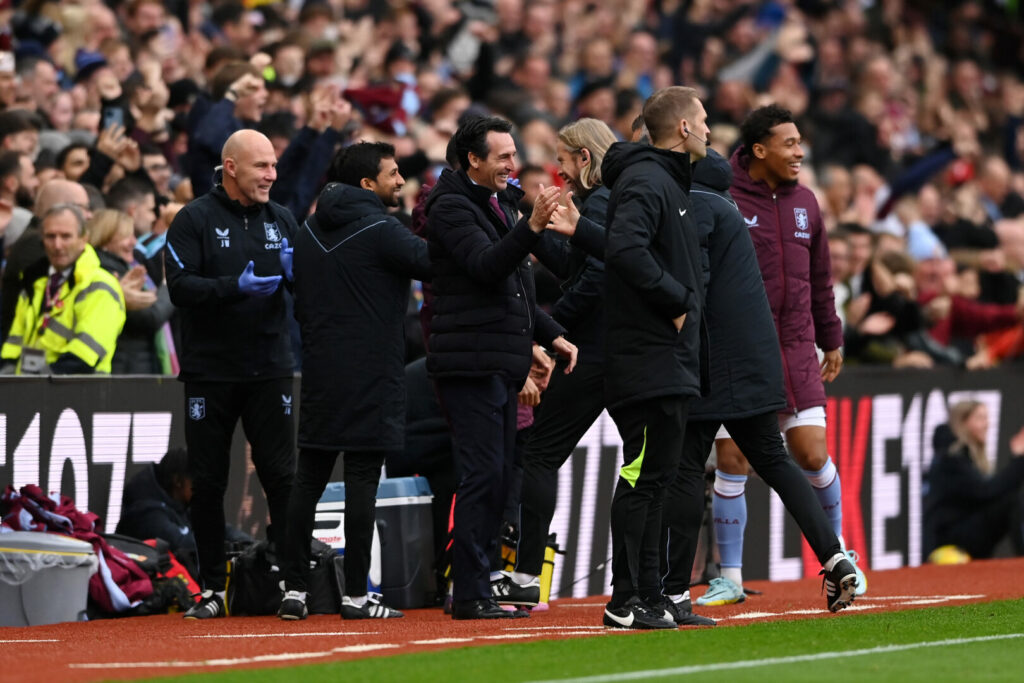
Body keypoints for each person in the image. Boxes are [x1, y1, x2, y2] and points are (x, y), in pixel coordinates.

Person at [660, 143, 859, 620]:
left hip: (716, 360)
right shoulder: (730, 208)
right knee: (774, 460)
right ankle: (835, 557)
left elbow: (693, 287)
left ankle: (671, 589)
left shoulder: (699, 209)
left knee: (688, 467)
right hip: (760, 357)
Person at [424, 115, 577, 620]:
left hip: (497, 360)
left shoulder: (497, 202)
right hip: (469, 363)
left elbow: (514, 288)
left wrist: (550, 334)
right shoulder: (448, 206)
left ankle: (481, 584)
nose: (514, 165)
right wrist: (532, 226)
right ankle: (468, 591)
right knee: (482, 476)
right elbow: (487, 267)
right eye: (503, 157)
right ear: (473, 159)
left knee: (498, 478)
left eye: (513, 155)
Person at [278, 142, 430, 621]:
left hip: (322, 372)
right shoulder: (385, 230)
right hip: (373, 375)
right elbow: (439, 264)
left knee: (307, 482)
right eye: (393, 173)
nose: (401, 181)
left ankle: (295, 589)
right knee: (362, 485)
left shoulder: (306, 231)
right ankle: (356, 597)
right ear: (368, 184)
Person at [164, 129, 298, 619]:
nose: (271, 175)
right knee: (208, 481)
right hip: (211, 372)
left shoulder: (282, 220)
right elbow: (179, 286)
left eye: (274, 165)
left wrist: (297, 275)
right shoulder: (193, 218)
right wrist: (232, 288)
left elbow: (306, 287)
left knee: (282, 478)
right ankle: (212, 589)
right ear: (231, 167)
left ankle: (292, 583)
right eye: (262, 166)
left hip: (271, 368)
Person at [598, 86, 708, 630]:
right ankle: (624, 600)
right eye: (704, 120)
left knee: (659, 479)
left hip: (669, 359)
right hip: (648, 357)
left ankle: (653, 594)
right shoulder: (647, 180)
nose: (710, 130)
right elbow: (625, 249)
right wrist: (677, 300)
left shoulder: (667, 181)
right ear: (683, 128)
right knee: (643, 477)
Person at [493, 118, 614, 606]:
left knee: (540, 454)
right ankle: (651, 587)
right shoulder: (610, 201)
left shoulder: (602, 203)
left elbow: (594, 279)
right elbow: (572, 265)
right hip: (624, 352)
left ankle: (526, 582)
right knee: (651, 468)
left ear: (584, 158)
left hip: (591, 351)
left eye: (563, 160)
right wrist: (530, 224)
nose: (559, 171)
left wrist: (549, 331)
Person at [1, 203, 125, 374]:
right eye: (50, 236)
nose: (57, 245)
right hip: (30, 390)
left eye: (66, 236)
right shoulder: (34, 282)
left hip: (80, 392)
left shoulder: (101, 285)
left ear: (83, 239)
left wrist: (38, 383)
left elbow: (84, 357)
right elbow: (12, 346)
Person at [925, 401, 1024, 560]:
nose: (986, 424)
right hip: (948, 545)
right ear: (963, 423)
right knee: (1011, 501)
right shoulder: (950, 458)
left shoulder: (966, 454)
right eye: (979, 418)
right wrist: (1019, 460)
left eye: (986, 418)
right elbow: (987, 492)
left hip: (965, 537)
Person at [88, 208, 175, 374]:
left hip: (131, 364)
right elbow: (150, 317)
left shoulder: (124, 267)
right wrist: (169, 284)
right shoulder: (106, 272)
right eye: (126, 236)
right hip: (125, 368)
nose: (134, 242)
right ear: (104, 238)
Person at [116, 447, 198, 579]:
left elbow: (216, 527)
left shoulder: (183, 503)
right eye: (195, 481)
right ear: (178, 481)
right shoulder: (146, 514)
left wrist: (241, 540)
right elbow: (181, 544)